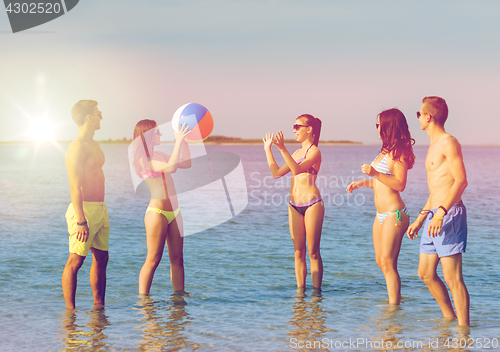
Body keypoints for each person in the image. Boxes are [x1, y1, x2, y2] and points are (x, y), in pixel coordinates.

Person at [407, 96, 469, 326]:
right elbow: (437, 188)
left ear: (428, 117)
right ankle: (449, 319)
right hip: (434, 215)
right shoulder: (434, 145)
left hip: (448, 215)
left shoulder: (448, 143)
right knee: (425, 273)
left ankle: (463, 333)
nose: (419, 118)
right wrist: (421, 218)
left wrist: (442, 212)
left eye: (419, 114)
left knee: (453, 279)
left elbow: (461, 181)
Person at [347, 108, 415, 305]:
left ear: (388, 126)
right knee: (380, 261)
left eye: (378, 124)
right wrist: (363, 182)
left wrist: (375, 174)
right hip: (381, 214)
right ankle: (394, 301)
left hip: (395, 214)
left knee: (387, 261)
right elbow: (383, 181)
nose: (376, 128)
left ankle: (394, 307)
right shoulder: (385, 151)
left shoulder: (398, 153)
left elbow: (400, 184)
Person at [263, 114, 324, 291]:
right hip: (294, 205)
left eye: (297, 126)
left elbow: (296, 170)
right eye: (294, 126)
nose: (294, 130)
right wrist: (268, 150)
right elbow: (276, 173)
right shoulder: (296, 153)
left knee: (313, 252)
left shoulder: (314, 152)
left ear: (309, 129)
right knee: (298, 252)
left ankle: (316, 296)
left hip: (312, 204)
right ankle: (300, 295)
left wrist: (282, 149)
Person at [132, 120, 191, 295]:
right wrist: (178, 141)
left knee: (177, 259)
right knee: (153, 259)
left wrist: (185, 141)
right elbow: (171, 168)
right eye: (157, 132)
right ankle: (144, 301)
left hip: (175, 212)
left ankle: (179, 301)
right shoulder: (144, 160)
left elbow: (186, 163)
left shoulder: (158, 154)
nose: (160, 134)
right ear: (147, 135)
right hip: (157, 214)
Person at [62, 100, 109, 310]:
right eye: (98, 113)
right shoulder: (77, 148)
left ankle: (99, 309)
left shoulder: (94, 144)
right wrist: (81, 220)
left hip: (100, 208)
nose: (101, 117)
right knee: (76, 261)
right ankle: (70, 313)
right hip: (84, 211)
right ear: (89, 117)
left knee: (101, 257)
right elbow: (74, 186)